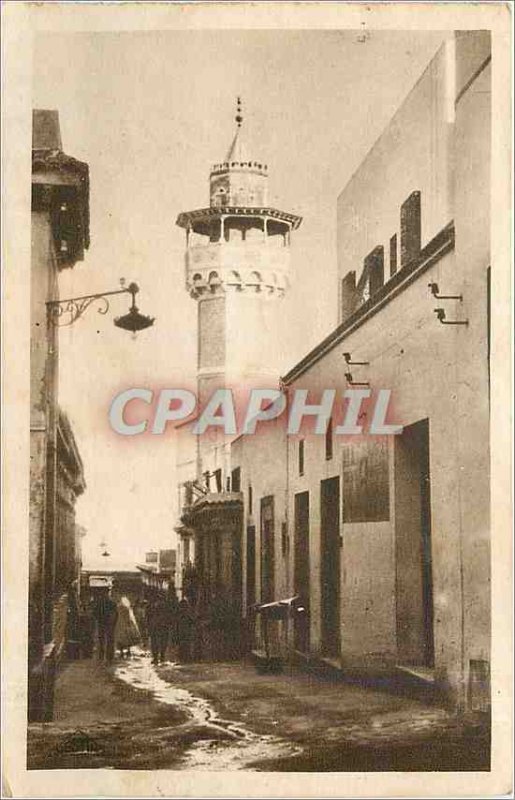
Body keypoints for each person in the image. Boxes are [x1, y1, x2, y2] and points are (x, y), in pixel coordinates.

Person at [92, 588, 118, 664]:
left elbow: (95, 613)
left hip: (104, 624)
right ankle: (107, 656)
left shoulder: (103, 603)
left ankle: (105, 656)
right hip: (106, 624)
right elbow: (115, 614)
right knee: (106, 640)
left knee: (104, 640)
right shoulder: (110, 603)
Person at [146, 591, 171, 665]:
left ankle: (156, 657)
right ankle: (162, 656)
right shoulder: (166, 606)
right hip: (163, 626)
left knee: (154, 642)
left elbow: (148, 617)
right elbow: (169, 616)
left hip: (155, 626)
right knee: (163, 641)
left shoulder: (150, 606)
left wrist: (148, 626)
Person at [177, 596, 194, 663]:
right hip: (185, 632)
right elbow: (192, 621)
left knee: (183, 645)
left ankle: (183, 658)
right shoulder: (186, 613)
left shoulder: (181, 614)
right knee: (185, 645)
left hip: (183, 632)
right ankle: (185, 658)